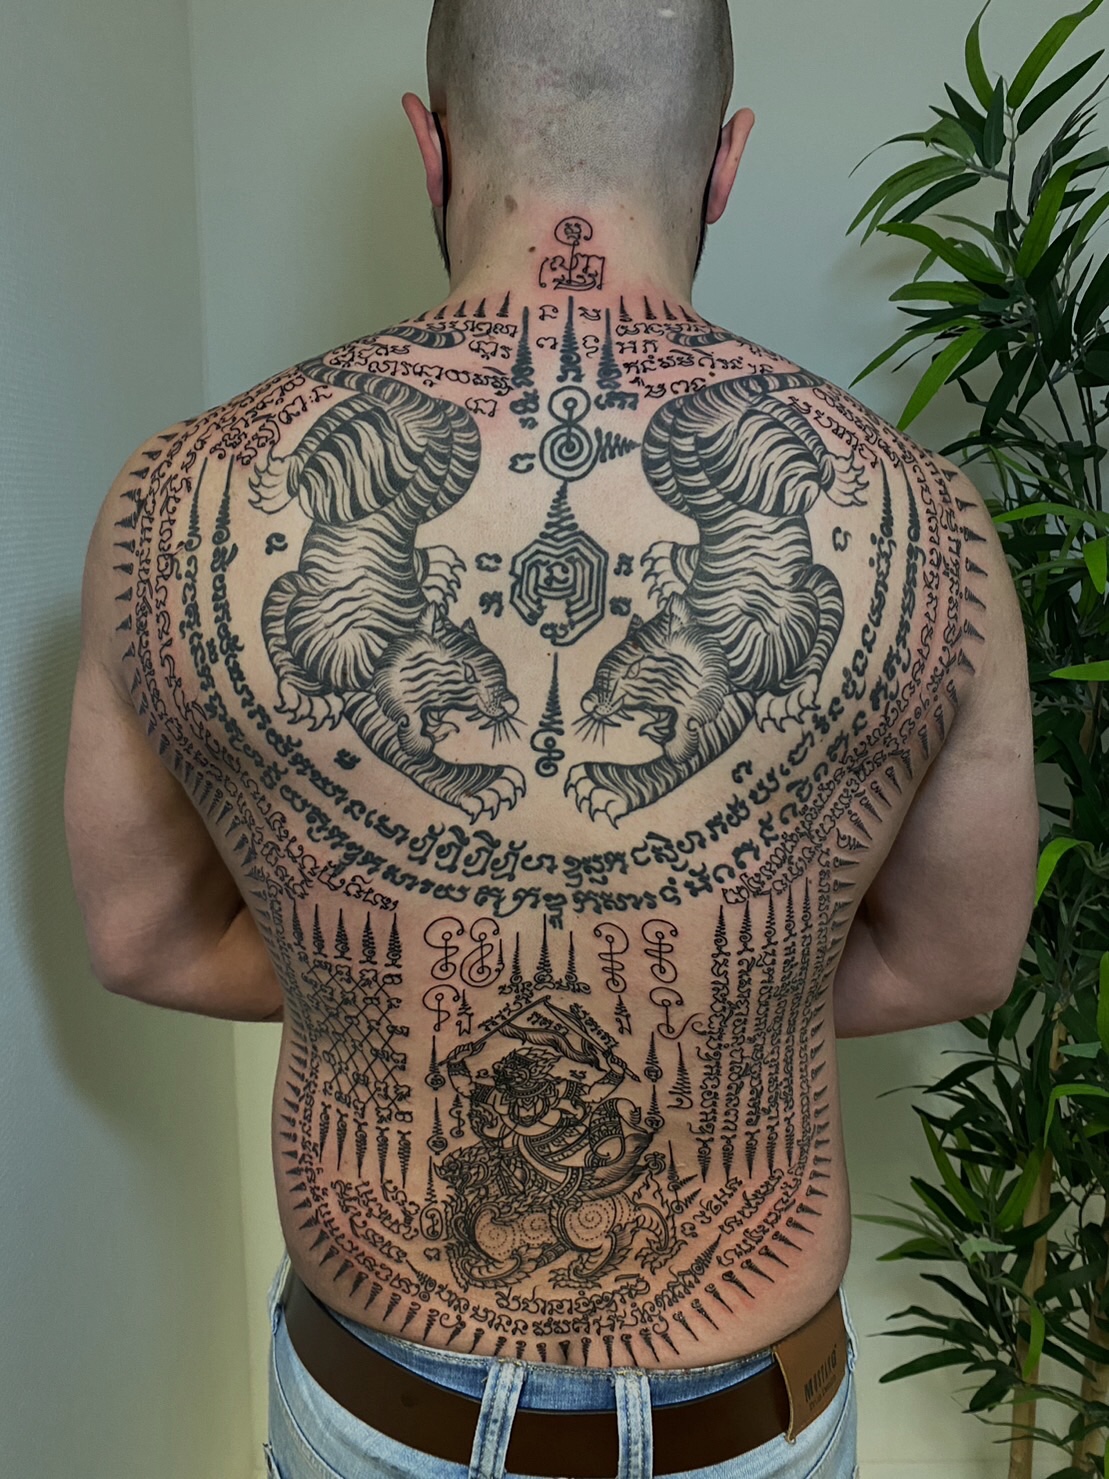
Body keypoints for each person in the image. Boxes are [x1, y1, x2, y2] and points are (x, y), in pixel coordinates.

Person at [64, 1, 1039, 1475]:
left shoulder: (182, 498)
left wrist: (385, 988)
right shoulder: (923, 524)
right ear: (724, 163)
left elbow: (146, 938)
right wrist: (724, 991)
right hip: (745, 1425)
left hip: (373, 1409)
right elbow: (954, 959)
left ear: (431, 145)